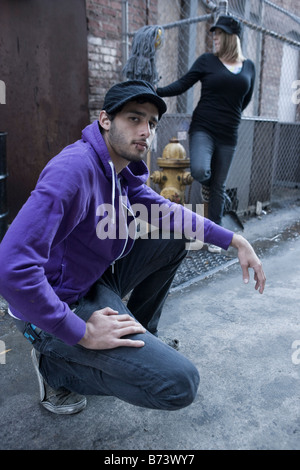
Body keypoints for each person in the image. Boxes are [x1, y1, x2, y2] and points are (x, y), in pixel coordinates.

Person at [0, 80, 265, 415]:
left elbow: (168, 212)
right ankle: (56, 369)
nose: (146, 131)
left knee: (173, 236)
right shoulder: (74, 171)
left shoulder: (121, 173)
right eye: (135, 119)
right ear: (105, 120)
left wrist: (234, 240)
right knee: (179, 385)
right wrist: (80, 332)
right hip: (56, 304)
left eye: (152, 123)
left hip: (93, 282)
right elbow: (11, 267)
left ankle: (142, 334)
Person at [157, 15, 256, 253]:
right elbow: (182, 84)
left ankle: (216, 236)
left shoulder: (249, 67)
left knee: (219, 187)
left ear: (232, 37)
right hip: (203, 128)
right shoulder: (207, 62)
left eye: (219, 34)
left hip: (228, 134)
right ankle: (207, 189)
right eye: (214, 34)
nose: (215, 38)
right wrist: (156, 90)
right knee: (201, 170)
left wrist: (229, 116)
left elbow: (246, 99)